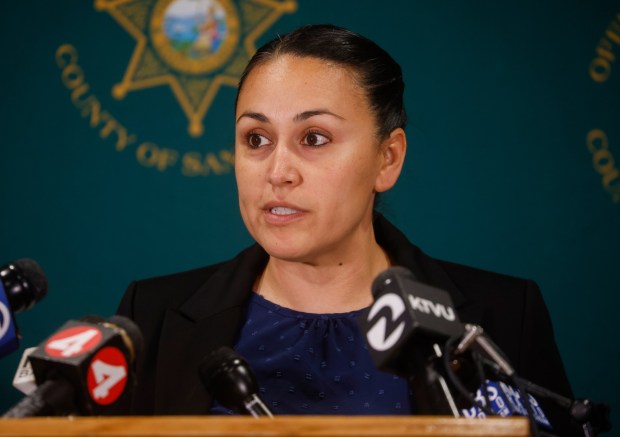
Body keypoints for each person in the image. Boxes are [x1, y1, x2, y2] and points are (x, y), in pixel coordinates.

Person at [118, 24, 580, 435]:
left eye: (314, 138)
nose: (278, 172)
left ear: (388, 158)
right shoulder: (153, 316)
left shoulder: (504, 316)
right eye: (256, 139)